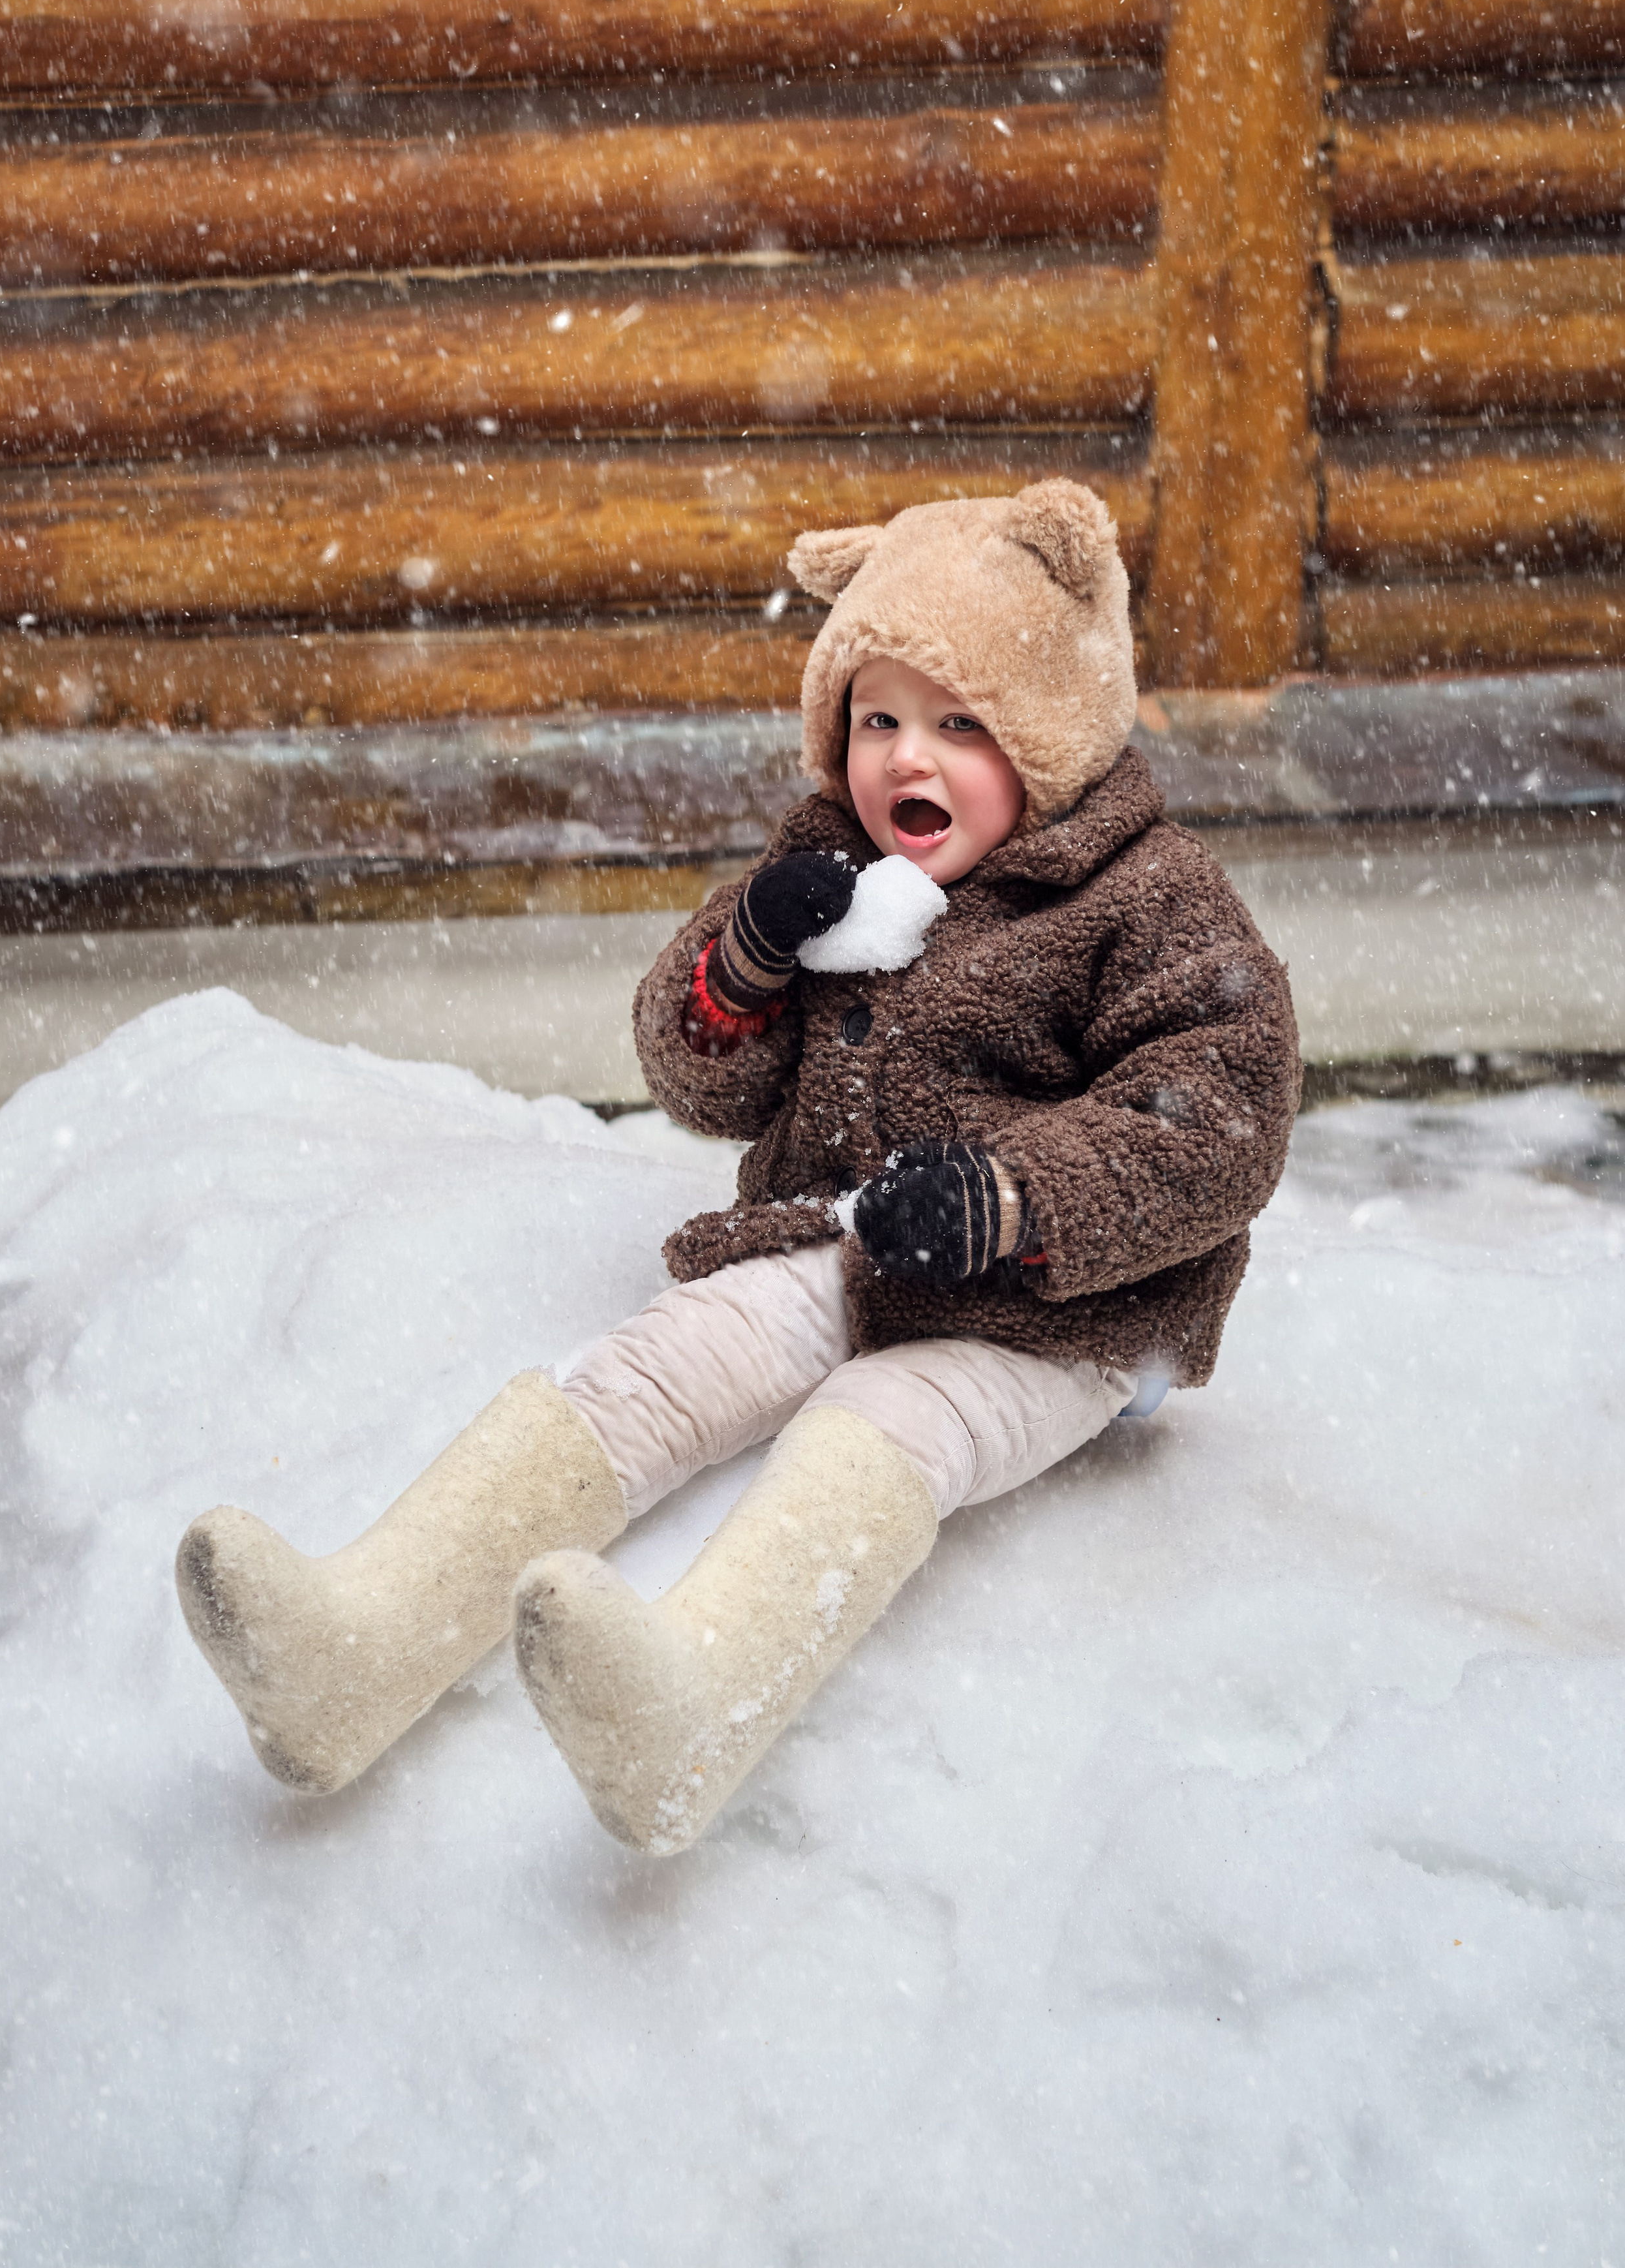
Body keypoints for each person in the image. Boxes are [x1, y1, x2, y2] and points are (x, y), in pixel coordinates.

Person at [177, 480, 1300, 1855]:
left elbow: (1216, 1116)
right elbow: (691, 1075)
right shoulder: (824, 856)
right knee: (650, 1367)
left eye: (961, 723)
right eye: (876, 718)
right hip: (833, 1233)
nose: (908, 759)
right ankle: (361, 1643)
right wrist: (750, 957)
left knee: (881, 1423)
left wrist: (1008, 1197)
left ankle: (692, 1705)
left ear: (1051, 729)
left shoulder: (1146, 897)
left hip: (1053, 1310)